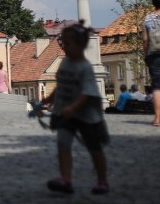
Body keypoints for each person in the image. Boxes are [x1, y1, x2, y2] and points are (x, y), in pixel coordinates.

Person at [38, 24, 109, 195]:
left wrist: (73, 107)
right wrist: (49, 98)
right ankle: (66, 179)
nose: (64, 47)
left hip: (86, 116)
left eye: (68, 44)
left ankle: (102, 180)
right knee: (63, 143)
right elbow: (61, 84)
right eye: (63, 43)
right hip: (65, 113)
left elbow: (87, 93)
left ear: (80, 45)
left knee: (94, 148)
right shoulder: (64, 63)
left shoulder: (85, 68)